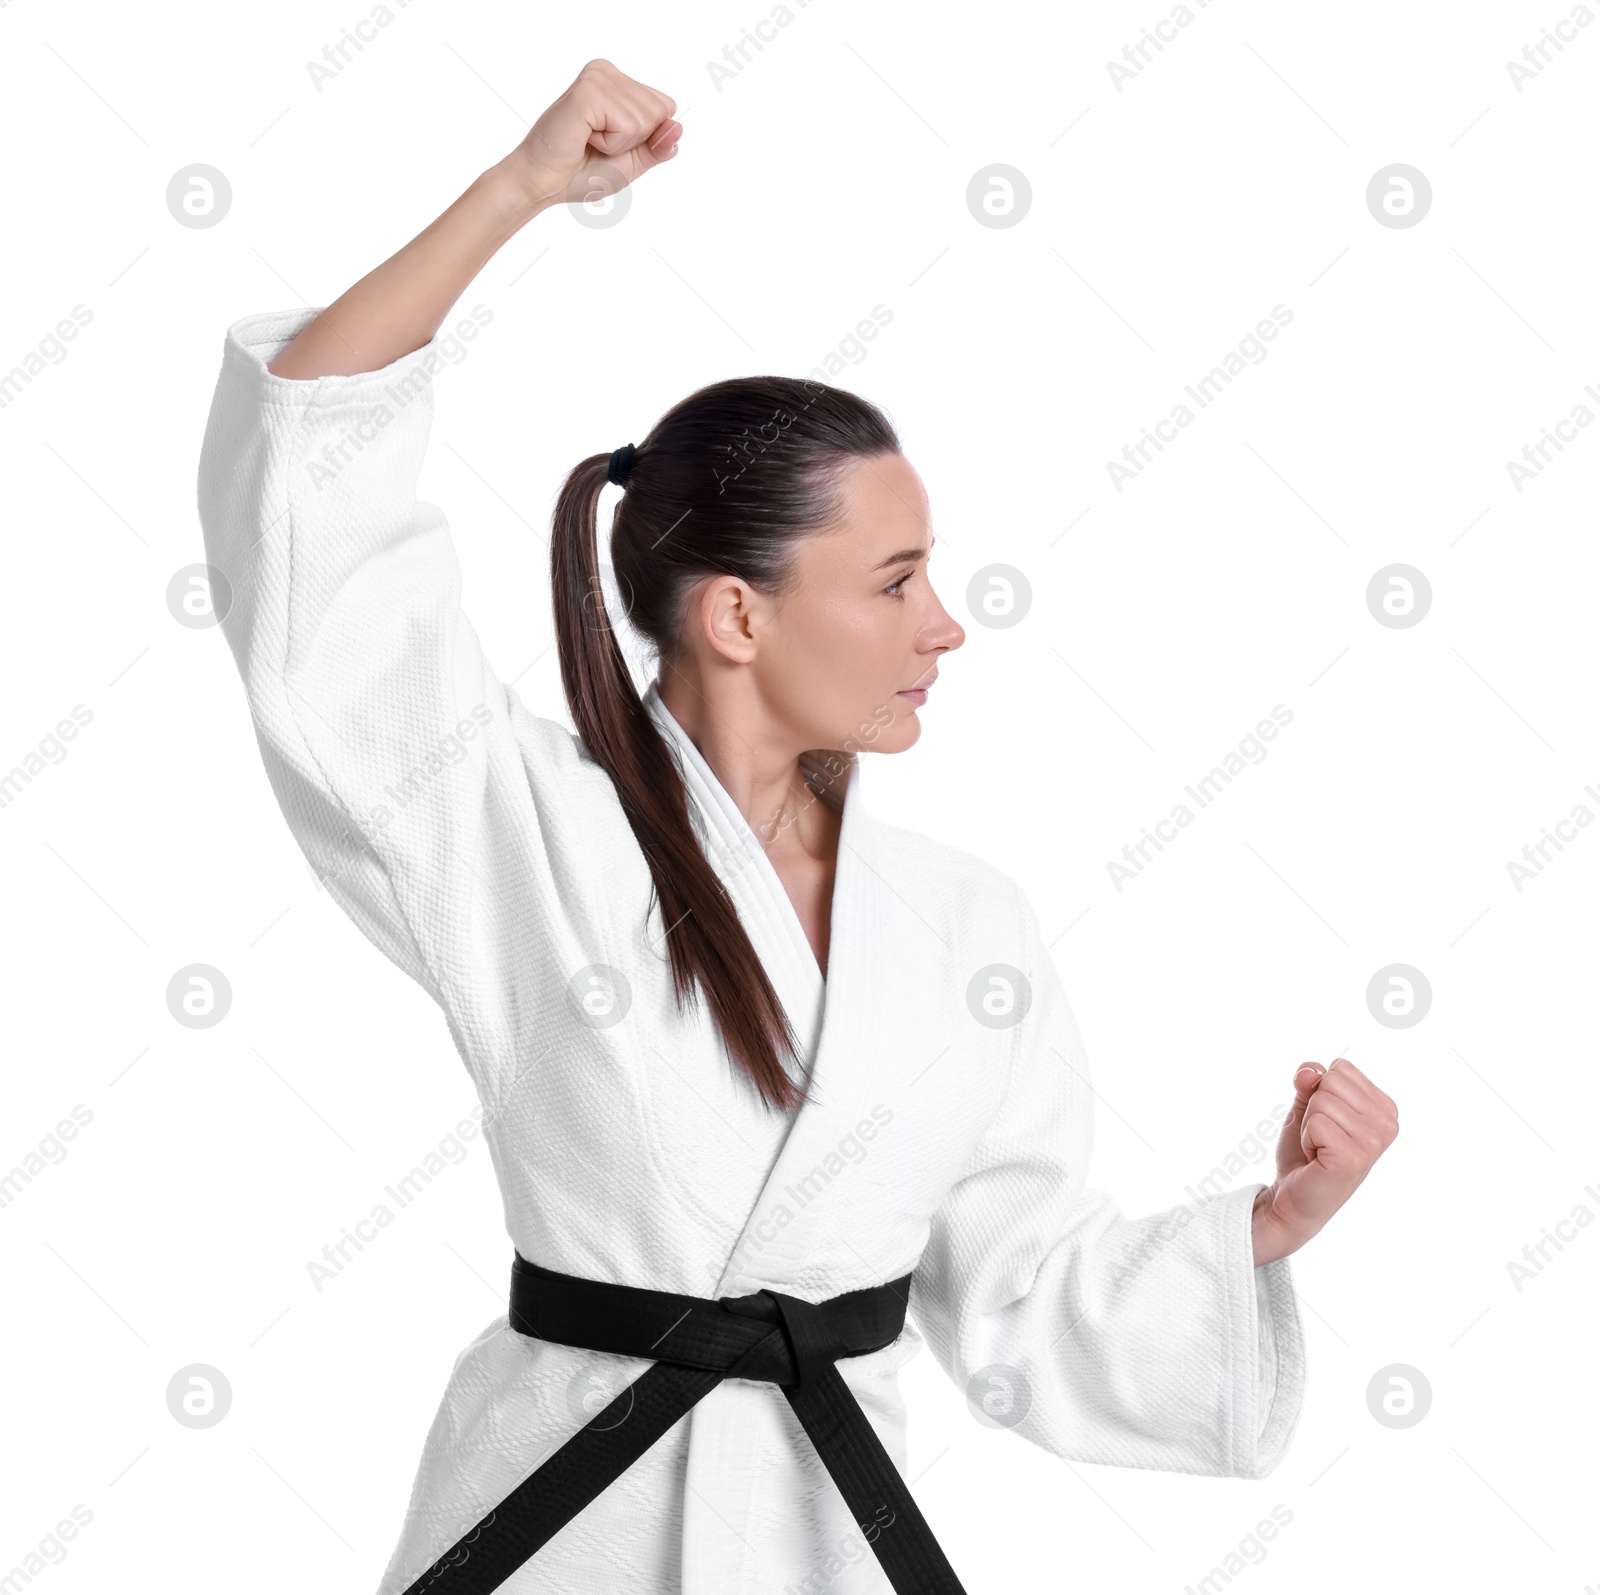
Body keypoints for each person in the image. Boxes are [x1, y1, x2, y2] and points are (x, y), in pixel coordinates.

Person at [196, 56, 1398, 1595]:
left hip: (832, 1537)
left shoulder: (967, 928)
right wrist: (515, 189)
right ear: (740, 615)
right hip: (560, 1526)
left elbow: (1018, 1293)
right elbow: (317, 526)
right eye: (895, 582)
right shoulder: (518, 836)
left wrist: (1269, 1225)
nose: (946, 626)